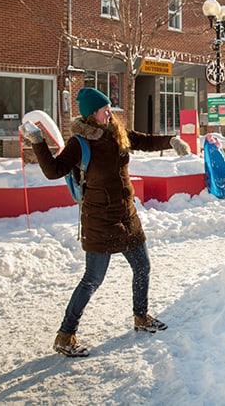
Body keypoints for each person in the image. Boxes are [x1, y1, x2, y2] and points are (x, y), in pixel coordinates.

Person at [19, 87, 191, 357]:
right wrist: (38, 142)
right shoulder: (80, 143)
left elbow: (144, 141)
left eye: (109, 107)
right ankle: (65, 334)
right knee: (92, 279)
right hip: (99, 219)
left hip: (126, 215)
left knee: (143, 267)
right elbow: (54, 171)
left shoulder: (116, 133)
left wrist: (171, 141)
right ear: (91, 115)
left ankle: (141, 316)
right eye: (104, 109)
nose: (109, 113)